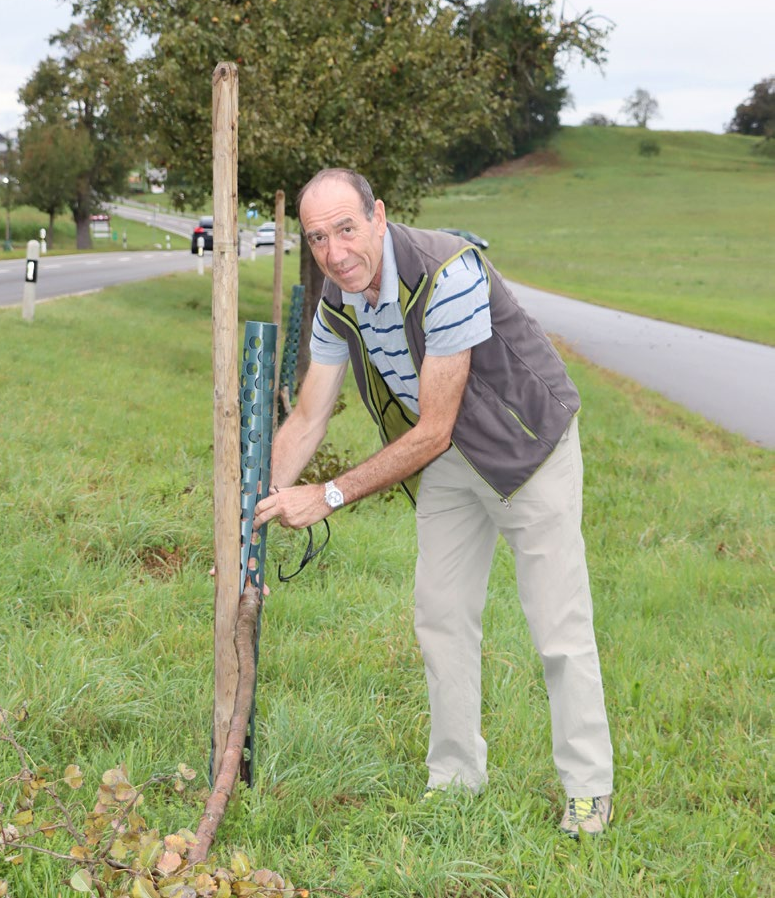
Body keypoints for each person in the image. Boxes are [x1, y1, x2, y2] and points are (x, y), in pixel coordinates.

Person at [253, 168, 614, 839]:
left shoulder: (447, 271)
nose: (333, 252)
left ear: (379, 217)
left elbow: (434, 425)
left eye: (346, 229)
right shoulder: (336, 299)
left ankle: (589, 789)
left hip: (525, 448)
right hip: (447, 463)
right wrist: (256, 512)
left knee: (558, 628)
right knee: (441, 618)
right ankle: (455, 780)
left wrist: (328, 493)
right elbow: (307, 416)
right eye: (317, 238)